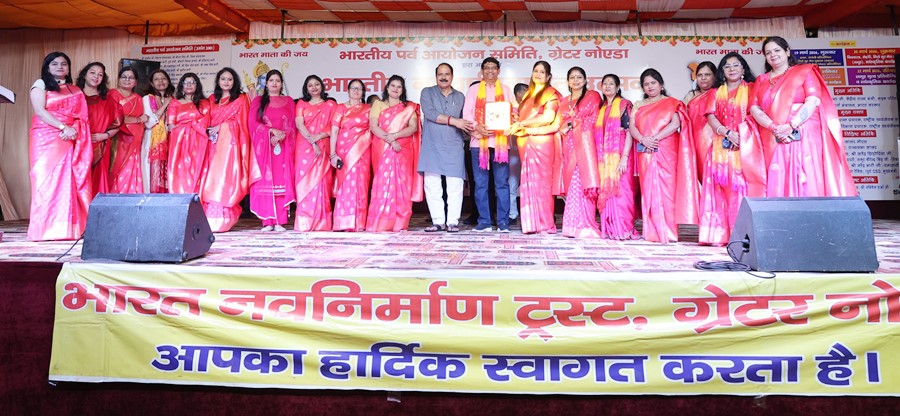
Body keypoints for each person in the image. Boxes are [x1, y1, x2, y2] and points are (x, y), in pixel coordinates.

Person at [750, 36, 856, 197]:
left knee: (805, 174)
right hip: (772, 135)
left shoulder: (804, 72)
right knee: (777, 177)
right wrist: (775, 127)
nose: (773, 55)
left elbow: (813, 101)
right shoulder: (761, 80)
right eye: (768, 52)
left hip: (802, 132)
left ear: (787, 52)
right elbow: (754, 108)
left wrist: (791, 125)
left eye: (777, 50)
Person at [699, 53, 767, 246]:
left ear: (743, 68)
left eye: (736, 65)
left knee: (742, 188)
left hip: (746, 147)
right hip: (720, 147)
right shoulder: (715, 93)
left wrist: (741, 135)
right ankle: (719, 235)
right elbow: (711, 117)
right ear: (722, 71)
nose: (732, 69)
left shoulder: (753, 89)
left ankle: (743, 235)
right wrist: (727, 132)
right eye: (727, 66)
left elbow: (758, 113)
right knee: (719, 189)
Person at [628, 68, 699, 244]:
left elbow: (675, 124)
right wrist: (643, 139)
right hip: (646, 151)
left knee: (668, 190)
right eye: (646, 84)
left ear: (661, 85)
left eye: (653, 83)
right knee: (648, 189)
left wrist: (654, 138)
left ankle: (669, 231)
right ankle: (652, 231)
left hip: (666, 149)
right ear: (643, 88)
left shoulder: (671, 103)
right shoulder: (638, 105)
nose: (650, 86)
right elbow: (632, 127)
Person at [27, 52, 92, 241]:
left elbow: (82, 118)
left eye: (64, 64)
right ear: (47, 67)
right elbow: (40, 111)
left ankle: (66, 229)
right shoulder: (41, 84)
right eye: (54, 64)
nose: (60, 67)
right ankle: (42, 229)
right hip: (45, 137)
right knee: (43, 180)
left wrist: (73, 130)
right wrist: (63, 127)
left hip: (69, 137)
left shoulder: (75, 90)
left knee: (65, 182)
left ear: (69, 68)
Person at [506, 61, 563, 234]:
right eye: (535, 71)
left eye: (542, 72)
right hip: (525, 142)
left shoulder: (550, 94)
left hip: (542, 143)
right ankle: (531, 224)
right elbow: (523, 118)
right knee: (529, 183)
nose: (538, 74)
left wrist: (522, 123)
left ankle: (545, 223)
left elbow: (548, 117)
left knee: (543, 184)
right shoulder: (528, 95)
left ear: (548, 76)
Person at [201, 67, 258, 232]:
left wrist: (222, 127)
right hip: (211, 145)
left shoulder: (240, 99)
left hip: (229, 147)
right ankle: (209, 217)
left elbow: (243, 124)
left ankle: (224, 218)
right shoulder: (212, 99)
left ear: (235, 82)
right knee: (210, 179)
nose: (226, 82)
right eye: (223, 79)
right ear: (218, 81)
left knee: (225, 179)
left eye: (230, 79)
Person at [463, 57, 514, 232]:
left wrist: (509, 120)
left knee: (502, 184)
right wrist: (477, 126)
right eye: (486, 68)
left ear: (498, 70)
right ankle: (484, 221)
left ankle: (503, 222)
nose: (490, 71)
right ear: (482, 71)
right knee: (480, 184)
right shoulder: (474, 90)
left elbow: (513, 112)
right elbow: (467, 114)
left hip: (500, 145)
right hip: (479, 143)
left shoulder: (506, 90)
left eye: (493, 68)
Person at [419, 63, 472, 233]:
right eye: (440, 74)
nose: (443, 77)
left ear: (452, 76)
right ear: (436, 76)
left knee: (455, 185)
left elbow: (466, 120)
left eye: (447, 74)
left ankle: (452, 222)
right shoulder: (427, 92)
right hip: (432, 146)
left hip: (453, 146)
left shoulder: (460, 96)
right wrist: (454, 121)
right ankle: (438, 222)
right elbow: (430, 113)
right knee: (432, 185)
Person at [366, 75, 423, 232]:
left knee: (402, 184)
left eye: (399, 86)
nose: (395, 89)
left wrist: (395, 136)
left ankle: (400, 223)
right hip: (382, 147)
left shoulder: (408, 107)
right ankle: (381, 221)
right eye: (393, 85)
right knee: (383, 183)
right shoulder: (378, 104)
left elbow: (413, 127)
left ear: (403, 90)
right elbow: (374, 126)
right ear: (387, 87)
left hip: (403, 150)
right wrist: (391, 140)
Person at [249, 70, 296, 232]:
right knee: (265, 183)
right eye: (271, 80)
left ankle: (280, 221)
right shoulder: (258, 101)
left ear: (282, 84)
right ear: (266, 83)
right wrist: (270, 131)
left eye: (278, 80)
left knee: (281, 182)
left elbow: (293, 124)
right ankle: (267, 221)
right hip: (264, 149)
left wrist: (282, 135)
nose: (274, 83)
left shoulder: (289, 101)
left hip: (283, 148)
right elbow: (252, 123)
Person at [558, 67, 602, 238]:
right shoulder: (563, 101)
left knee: (583, 183)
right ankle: (571, 226)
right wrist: (565, 126)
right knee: (572, 186)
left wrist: (573, 123)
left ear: (585, 80)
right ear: (568, 81)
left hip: (585, 147)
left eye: (579, 77)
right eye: (572, 77)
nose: (575, 80)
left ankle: (585, 225)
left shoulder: (593, 96)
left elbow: (595, 118)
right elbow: (559, 123)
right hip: (568, 145)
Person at [595, 74, 639, 240]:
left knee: (623, 192)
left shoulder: (623, 105)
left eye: (611, 83)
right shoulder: (601, 109)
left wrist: (624, 157)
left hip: (621, 153)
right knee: (608, 191)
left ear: (618, 87)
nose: (607, 86)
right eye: (605, 83)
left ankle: (624, 228)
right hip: (605, 159)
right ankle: (610, 228)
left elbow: (629, 133)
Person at [294, 75, 337, 231]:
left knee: (321, 182)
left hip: (323, 145)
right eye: (310, 85)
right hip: (304, 147)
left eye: (317, 84)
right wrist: (312, 141)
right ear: (306, 89)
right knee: (304, 182)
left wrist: (319, 137)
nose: (314, 87)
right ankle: (304, 222)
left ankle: (322, 222)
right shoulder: (301, 103)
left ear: (322, 86)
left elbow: (334, 125)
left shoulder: (330, 104)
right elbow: (300, 124)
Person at [329, 79, 372, 232]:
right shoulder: (340, 108)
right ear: (348, 91)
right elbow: (334, 131)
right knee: (345, 184)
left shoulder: (368, 109)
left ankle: (359, 222)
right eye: (353, 88)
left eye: (359, 89)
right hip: (344, 151)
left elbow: (373, 129)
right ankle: (343, 222)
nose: (356, 91)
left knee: (361, 183)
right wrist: (332, 154)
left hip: (362, 150)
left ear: (363, 92)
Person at [75, 62, 121, 198]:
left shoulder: (108, 100)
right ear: (84, 75)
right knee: (77, 181)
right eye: (92, 72)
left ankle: (97, 210)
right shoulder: (74, 96)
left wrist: (105, 136)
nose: (96, 76)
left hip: (100, 146)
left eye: (100, 74)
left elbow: (118, 124)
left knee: (99, 182)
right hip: (77, 147)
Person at [166, 73, 209, 194]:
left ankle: (196, 196)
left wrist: (190, 125)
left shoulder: (204, 103)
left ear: (197, 85)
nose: (189, 85)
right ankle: (179, 196)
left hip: (198, 141)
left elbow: (205, 122)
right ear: (182, 85)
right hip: (179, 143)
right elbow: (171, 125)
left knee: (196, 167)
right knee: (180, 168)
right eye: (186, 82)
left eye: (192, 82)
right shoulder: (175, 103)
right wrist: (185, 129)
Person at [108, 66, 145, 194]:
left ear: (136, 82)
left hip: (135, 139)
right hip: (117, 137)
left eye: (131, 77)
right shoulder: (111, 94)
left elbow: (144, 118)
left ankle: (130, 195)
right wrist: (137, 119)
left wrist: (138, 120)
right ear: (118, 80)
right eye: (124, 77)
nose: (127, 80)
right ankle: (114, 195)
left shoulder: (138, 98)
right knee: (115, 166)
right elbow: (114, 118)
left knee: (131, 166)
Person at [685, 61, 719, 178]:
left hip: (716, 140)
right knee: (700, 172)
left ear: (715, 76)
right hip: (695, 140)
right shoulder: (691, 96)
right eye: (700, 75)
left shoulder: (720, 93)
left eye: (707, 74)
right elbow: (682, 117)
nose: (703, 78)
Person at [141, 69, 173, 193]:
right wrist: (165, 105)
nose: (161, 81)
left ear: (168, 81)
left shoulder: (174, 100)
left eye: (163, 78)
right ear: (152, 83)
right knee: (150, 175)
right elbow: (149, 123)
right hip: (152, 142)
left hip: (170, 141)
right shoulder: (147, 99)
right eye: (157, 79)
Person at [509, 82, 527, 225]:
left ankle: (530, 213)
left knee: (531, 184)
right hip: (514, 152)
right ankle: (512, 214)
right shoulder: (512, 112)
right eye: (527, 92)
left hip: (531, 151)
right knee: (512, 184)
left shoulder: (533, 111)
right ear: (519, 94)